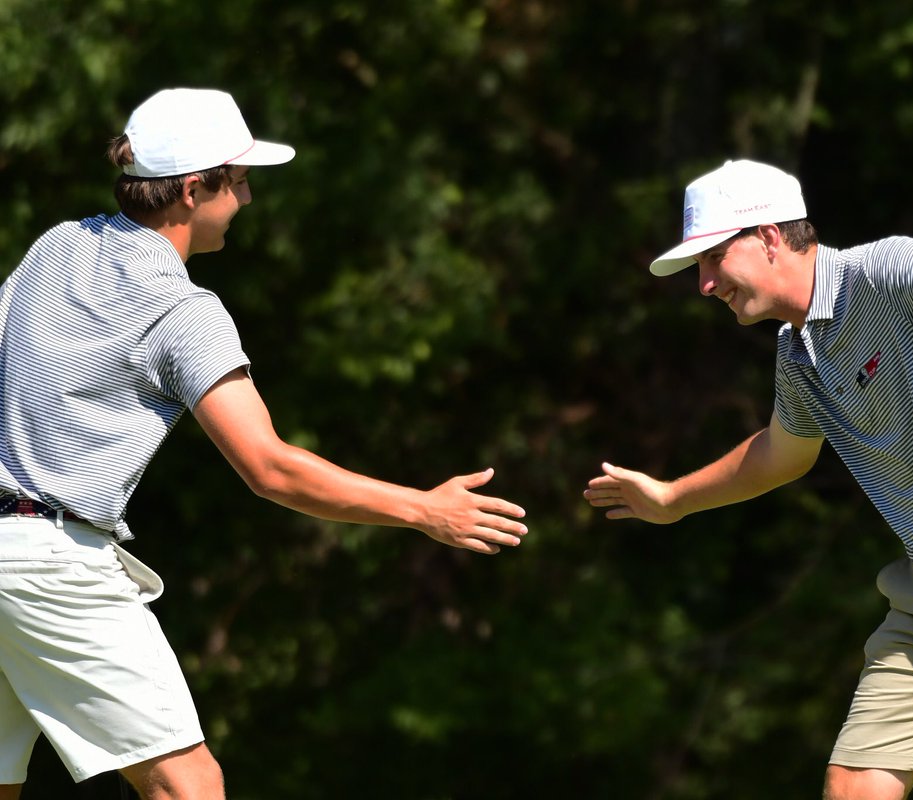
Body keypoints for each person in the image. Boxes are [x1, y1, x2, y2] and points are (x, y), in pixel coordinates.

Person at [0, 88, 528, 799]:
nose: (246, 200)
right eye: (239, 181)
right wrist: (423, 510)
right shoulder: (186, 312)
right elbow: (270, 467)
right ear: (192, 191)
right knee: (189, 787)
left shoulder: (56, 246)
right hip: (49, 567)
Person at [584, 159, 913, 800]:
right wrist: (672, 500)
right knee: (855, 786)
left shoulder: (880, 270)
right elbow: (782, 453)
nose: (703, 284)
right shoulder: (796, 350)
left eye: (712, 259)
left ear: (770, 237)